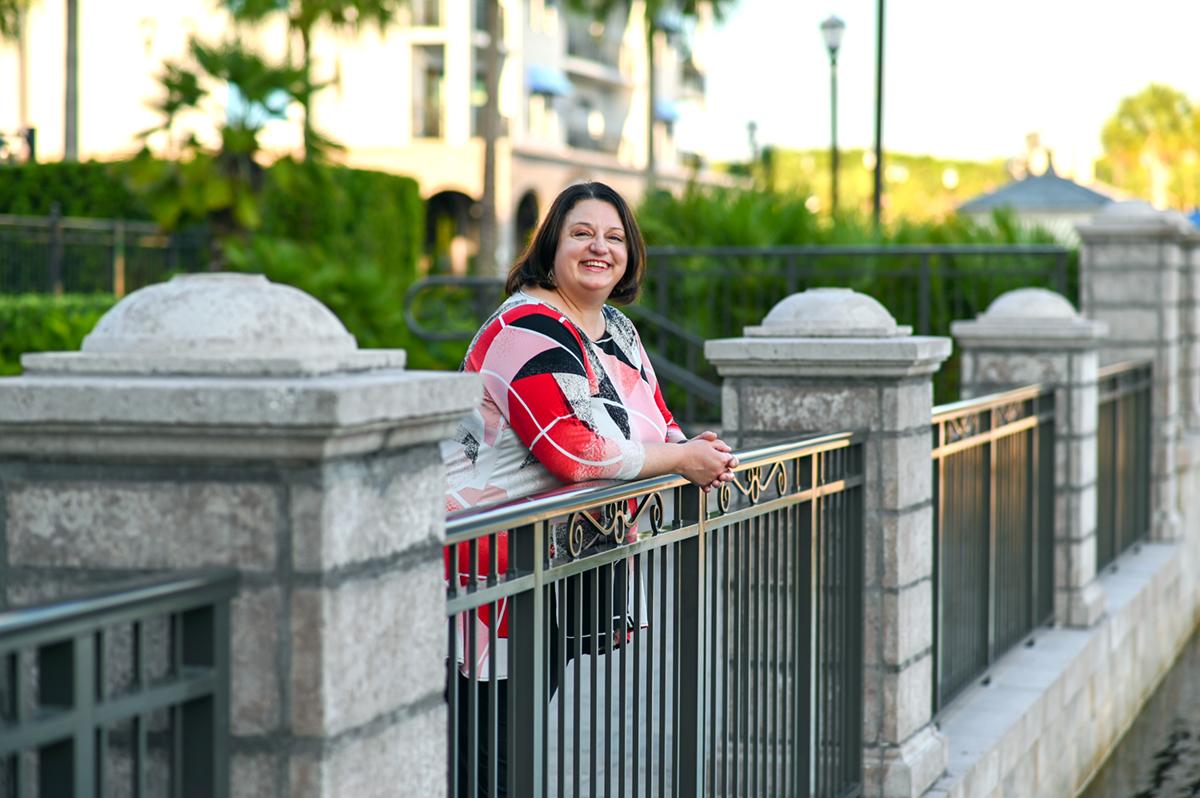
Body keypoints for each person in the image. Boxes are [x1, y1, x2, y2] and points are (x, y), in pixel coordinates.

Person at [442, 181, 737, 796]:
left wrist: (693, 449)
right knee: (487, 750)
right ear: (550, 245)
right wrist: (680, 459)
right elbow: (575, 451)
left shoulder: (614, 328)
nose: (599, 248)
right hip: (488, 564)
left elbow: (653, 417)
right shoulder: (527, 328)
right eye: (581, 234)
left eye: (614, 237)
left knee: (515, 739)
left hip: (550, 559)